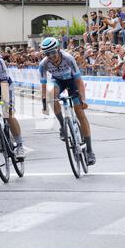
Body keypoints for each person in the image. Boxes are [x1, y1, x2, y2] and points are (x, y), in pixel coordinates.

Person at [39, 37, 96, 166]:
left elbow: (79, 81)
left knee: (80, 113)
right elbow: (43, 84)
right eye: (47, 53)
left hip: (72, 82)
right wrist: (45, 101)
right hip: (57, 81)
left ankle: (90, 150)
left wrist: (83, 98)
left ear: (58, 49)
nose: (51, 56)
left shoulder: (68, 58)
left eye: (52, 52)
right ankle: (62, 126)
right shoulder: (43, 64)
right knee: (50, 94)